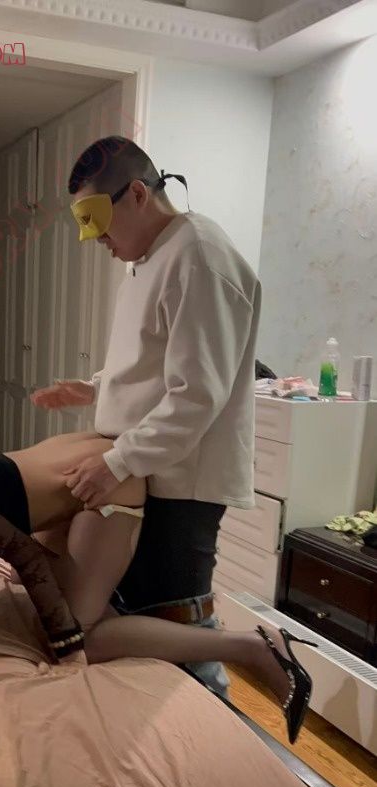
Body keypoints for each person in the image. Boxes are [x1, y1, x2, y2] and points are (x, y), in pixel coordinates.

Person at [0, 431, 313, 743]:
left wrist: (68, 646)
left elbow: (24, 555)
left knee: (86, 636)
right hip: (61, 480)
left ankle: (251, 646)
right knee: (57, 602)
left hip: (104, 487)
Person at [32, 136, 262, 700]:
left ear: (137, 193)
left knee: (177, 618)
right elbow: (158, 364)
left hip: (182, 481)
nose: (96, 239)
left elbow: (197, 394)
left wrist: (116, 462)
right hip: (149, 470)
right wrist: (94, 388)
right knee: (143, 614)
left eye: (98, 221)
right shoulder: (152, 258)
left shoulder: (198, 257)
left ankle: (222, 717)